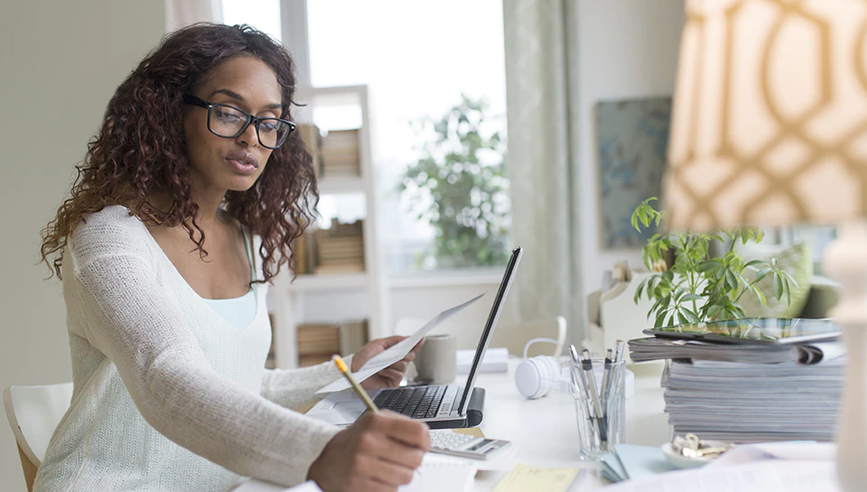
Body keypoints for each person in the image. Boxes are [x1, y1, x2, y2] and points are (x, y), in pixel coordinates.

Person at [37, 23, 429, 492]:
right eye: (228, 113)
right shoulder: (107, 241)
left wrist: (349, 373)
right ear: (171, 113)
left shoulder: (245, 239)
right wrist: (318, 452)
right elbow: (166, 379)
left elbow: (242, 387)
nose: (251, 138)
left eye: (268, 122)